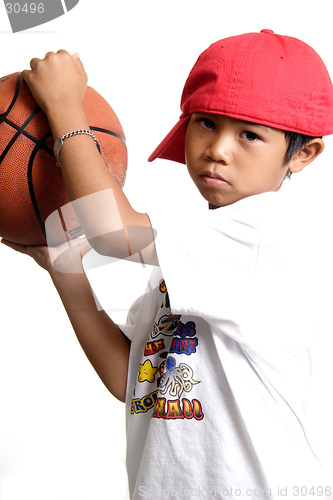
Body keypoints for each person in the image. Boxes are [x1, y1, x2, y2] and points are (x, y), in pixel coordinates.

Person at [3, 29, 333, 499]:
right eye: (205, 123)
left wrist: (66, 113)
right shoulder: (194, 259)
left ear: (303, 152)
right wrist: (63, 267)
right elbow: (128, 377)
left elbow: (114, 233)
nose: (218, 149)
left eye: (249, 134)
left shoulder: (265, 233)